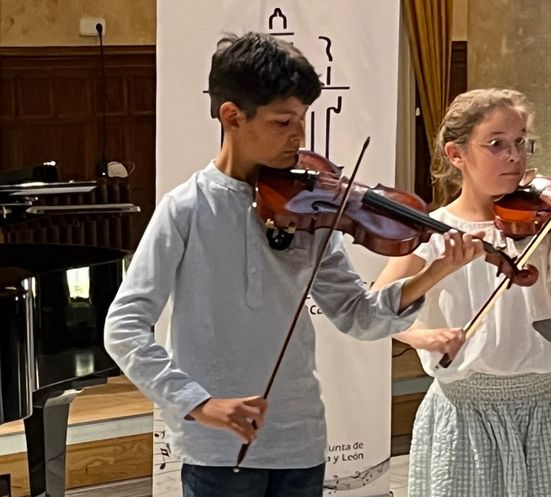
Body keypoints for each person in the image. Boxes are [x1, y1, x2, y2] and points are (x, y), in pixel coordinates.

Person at [104, 32, 477, 497]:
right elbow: (124, 326)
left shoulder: (309, 204)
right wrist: (197, 403)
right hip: (217, 449)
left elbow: (357, 316)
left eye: (303, 119)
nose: (299, 136)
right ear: (232, 116)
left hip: (301, 441)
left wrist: (433, 273)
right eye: (283, 122)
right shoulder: (186, 208)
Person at [373, 88, 551, 497]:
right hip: (467, 412)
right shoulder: (432, 232)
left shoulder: (550, 225)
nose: (514, 156)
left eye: (520, 143)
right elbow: (378, 308)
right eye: (496, 144)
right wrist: (423, 336)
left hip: (548, 406)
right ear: (456, 154)